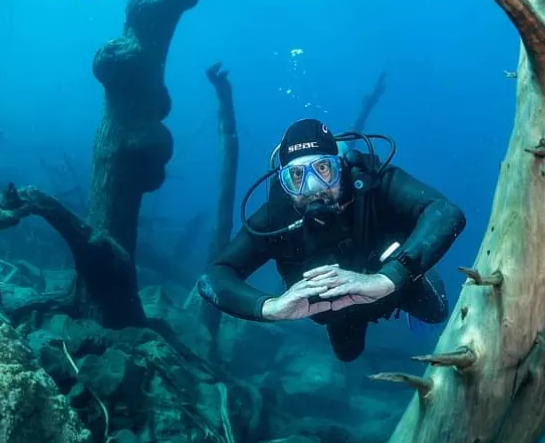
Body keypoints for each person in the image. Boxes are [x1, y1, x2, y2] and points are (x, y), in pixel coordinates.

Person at [197, 118, 466, 362]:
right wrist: (271, 308)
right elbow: (214, 277)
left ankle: (411, 278)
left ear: (341, 166)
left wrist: (389, 278)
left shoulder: (372, 182)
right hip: (336, 306)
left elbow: (445, 212)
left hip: (396, 278)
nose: (313, 188)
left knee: (436, 312)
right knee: (347, 354)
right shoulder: (275, 216)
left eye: (323, 168)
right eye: (297, 176)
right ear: (284, 182)